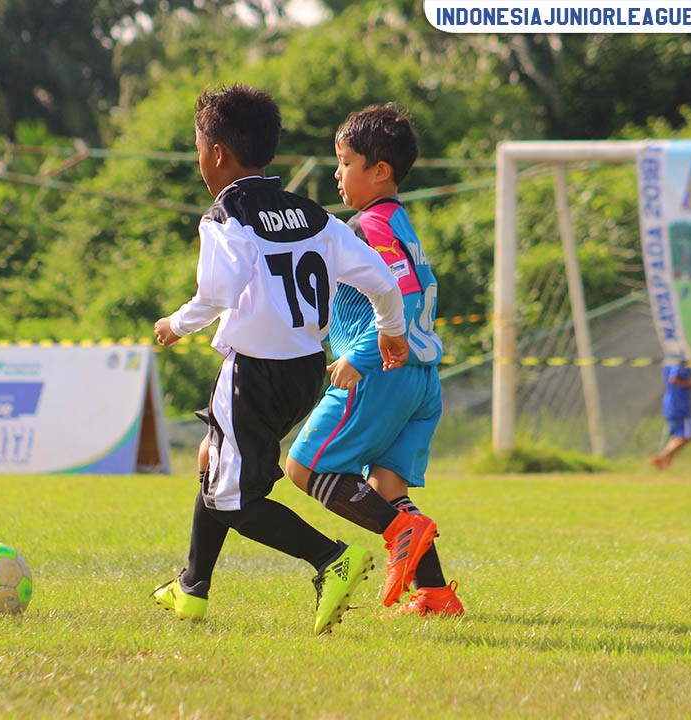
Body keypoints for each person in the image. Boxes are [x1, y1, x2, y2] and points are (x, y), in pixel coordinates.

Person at [151, 84, 412, 635]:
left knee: (233, 499)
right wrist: (391, 331)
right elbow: (382, 281)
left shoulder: (227, 214)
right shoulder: (313, 214)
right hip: (303, 372)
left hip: (254, 371)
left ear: (216, 153)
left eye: (199, 147)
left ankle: (331, 560)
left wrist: (175, 325)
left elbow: (217, 293)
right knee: (214, 460)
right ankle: (192, 587)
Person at [284, 104, 463, 618]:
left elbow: (399, 297)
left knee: (305, 466)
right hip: (421, 380)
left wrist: (361, 355)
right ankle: (435, 594)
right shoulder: (400, 222)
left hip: (383, 367)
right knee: (386, 489)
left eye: (344, 163)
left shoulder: (368, 227)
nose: (337, 174)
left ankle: (398, 533)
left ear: (379, 171)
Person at [650, 358, 691, 470]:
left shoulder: (669, 359)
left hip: (670, 402)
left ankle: (665, 464)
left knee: (677, 436)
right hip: (680, 404)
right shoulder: (678, 359)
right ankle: (661, 457)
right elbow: (674, 379)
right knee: (686, 436)